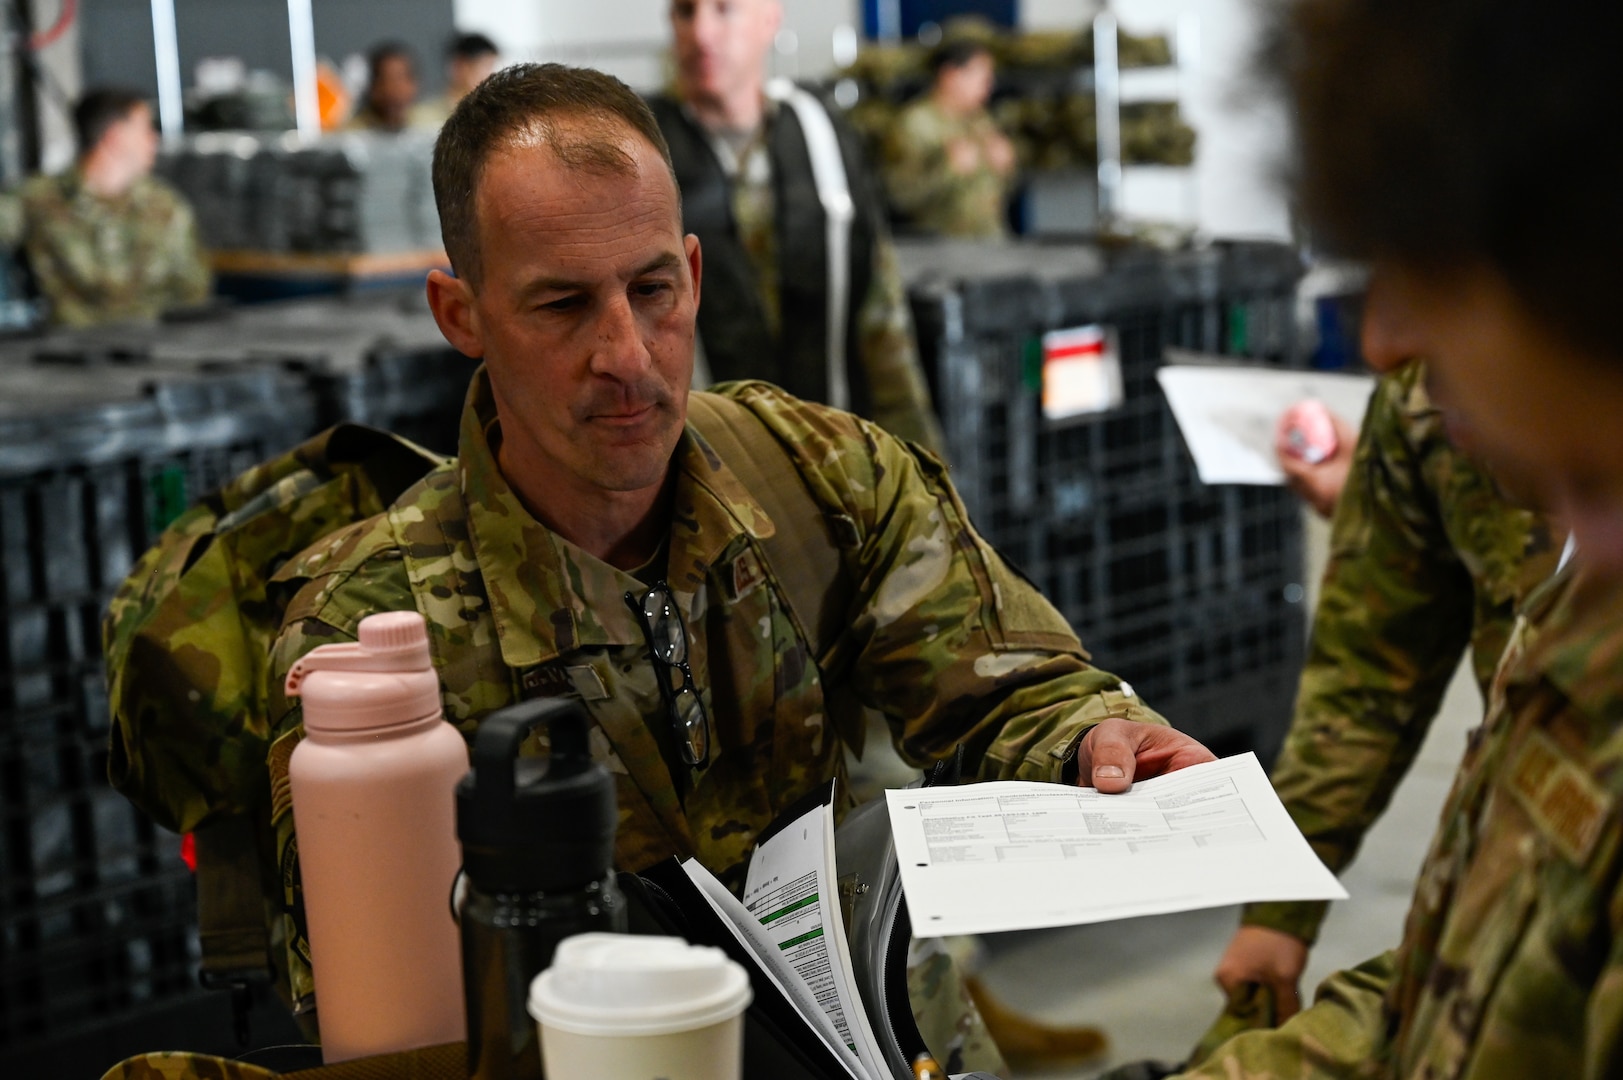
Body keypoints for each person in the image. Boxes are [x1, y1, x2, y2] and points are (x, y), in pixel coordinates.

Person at [259, 61, 1216, 1061]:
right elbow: (386, 1028)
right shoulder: (369, 647)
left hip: (877, 1038)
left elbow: (1006, 681)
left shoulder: (818, 477)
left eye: (652, 288)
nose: (626, 353)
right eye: (561, 306)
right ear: (461, 315)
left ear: (696, 275)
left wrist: (1097, 735)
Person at [1144, 0, 1623, 1075]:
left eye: (1435, 266)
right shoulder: (1577, 623)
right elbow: (1468, 991)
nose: (1385, 338)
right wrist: (1282, 919)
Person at [1182, 360, 1555, 1062]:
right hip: (1514, 864)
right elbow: (1365, 679)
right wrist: (1279, 911)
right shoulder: (1427, 389)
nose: (1379, 341)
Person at [647, 0, 945, 452]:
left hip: (830, 453)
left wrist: (921, 465)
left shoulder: (823, 139)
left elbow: (881, 321)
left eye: (724, 10)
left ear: (770, 16)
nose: (702, 33)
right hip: (705, 476)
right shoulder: (641, 156)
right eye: (686, 12)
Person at [0, 87, 210, 327]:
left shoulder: (166, 206)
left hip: (155, 350)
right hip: (66, 352)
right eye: (144, 130)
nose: (154, 139)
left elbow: (194, 292)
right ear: (115, 136)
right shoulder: (38, 198)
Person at [882, 37, 1017, 239]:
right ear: (950, 75)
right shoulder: (915, 124)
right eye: (981, 77)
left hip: (989, 240)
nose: (988, 86)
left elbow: (997, 192)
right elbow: (898, 197)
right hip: (938, 247)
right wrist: (946, 167)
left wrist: (1006, 168)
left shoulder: (981, 120)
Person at [415, 32, 501, 128]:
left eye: (491, 67)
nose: (491, 74)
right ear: (460, 65)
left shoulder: (491, 112)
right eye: (486, 66)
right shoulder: (425, 115)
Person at [346, 42, 434, 133]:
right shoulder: (350, 134)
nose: (393, 89)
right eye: (384, 80)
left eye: (400, 78)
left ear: (415, 84)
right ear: (371, 86)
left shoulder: (429, 126)